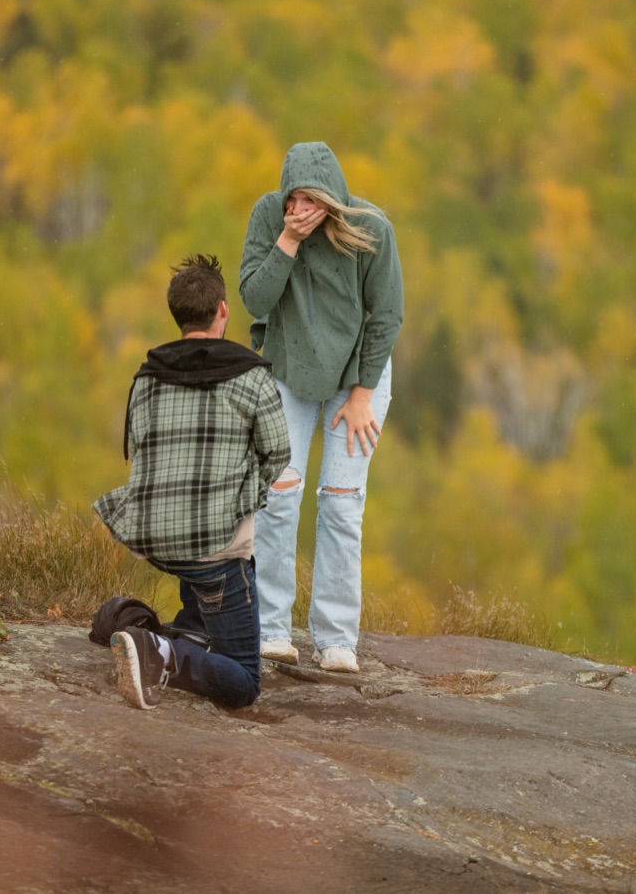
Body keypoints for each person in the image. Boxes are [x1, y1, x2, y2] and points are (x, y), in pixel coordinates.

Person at [92, 254, 290, 710]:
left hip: (154, 536)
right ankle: (158, 654)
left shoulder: (146, 378)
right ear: (223, 310)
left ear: (177, 315)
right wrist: (244, 499)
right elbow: (278, 455)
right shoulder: (252, 377)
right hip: (213, 553)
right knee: (244, 681)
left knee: (201, 549)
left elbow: (139, 453)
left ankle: (131, 621)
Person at [239, 141, 403, 673]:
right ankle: (270, 630)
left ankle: (335, 640)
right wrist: (287, 241)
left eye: (311, 199)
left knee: (340, 501)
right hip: (290, 365)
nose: (299, 208)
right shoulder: (270, 217)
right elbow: (255, 300)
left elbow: (387, 317)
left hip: (359, 376)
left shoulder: (372, 229)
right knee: (278, 496)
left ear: (332, 198)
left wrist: (360, 395)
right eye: (293, 198)